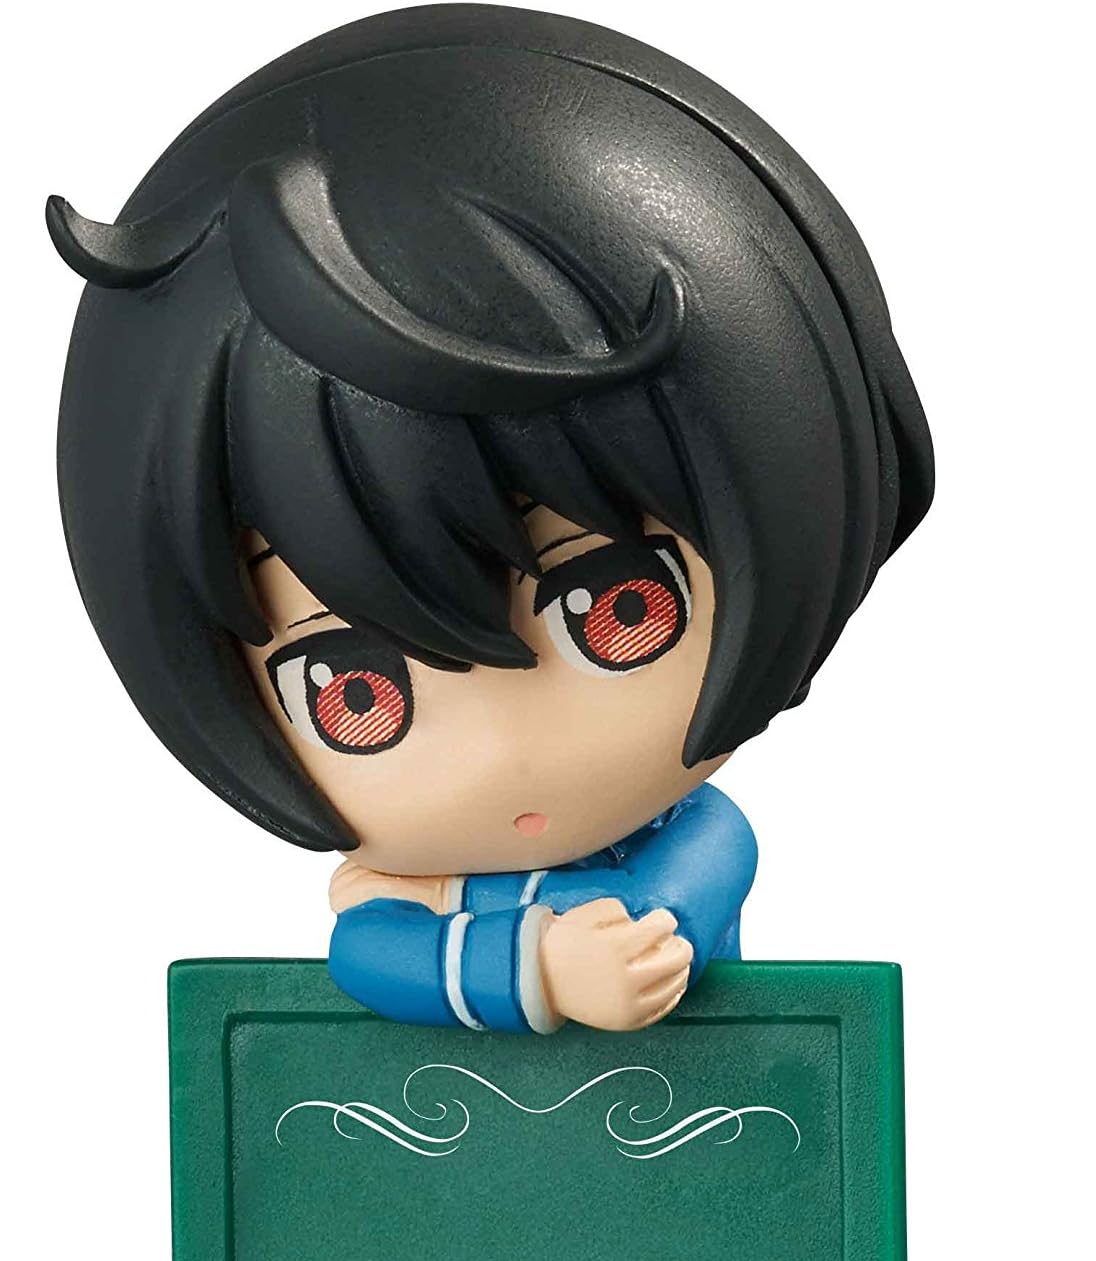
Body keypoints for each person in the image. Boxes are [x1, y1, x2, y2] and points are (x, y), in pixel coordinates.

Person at [48, 4, 932, 1032]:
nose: (507, 751)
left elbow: (696, 885)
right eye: (356, 692)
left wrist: (639, 944)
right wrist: (540, 976)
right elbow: (367, 957)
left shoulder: (690, 843)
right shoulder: (399, 891)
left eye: (618, 607)